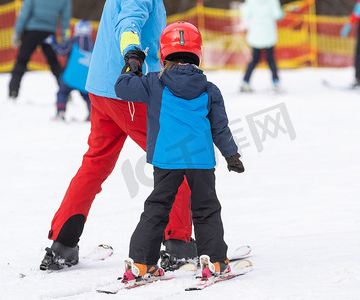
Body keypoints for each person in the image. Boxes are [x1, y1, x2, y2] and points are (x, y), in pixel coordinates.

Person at [40, 0, 197, 271]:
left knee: (96, 163)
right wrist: (132, 55)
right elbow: (129, 23)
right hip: (129, 90)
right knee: (177, 155)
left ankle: (63, 243)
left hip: (102, 89)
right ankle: (179, 243)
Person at [114, 21, 245, 281]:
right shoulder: (209, 89)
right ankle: (215, 261)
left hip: (167, 158)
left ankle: (141, 263)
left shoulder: (153, 83)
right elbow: (220, 128)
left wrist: (133, 65)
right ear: (198, 52)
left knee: (157, 207)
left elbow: (122, 87)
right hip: (200, 160)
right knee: (206, 209)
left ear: (163, 53)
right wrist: (232, 155)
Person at [8, 0, 71, 100]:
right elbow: (66, 18)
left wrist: (17, 32)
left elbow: (24, 13)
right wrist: (65, 36)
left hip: (31, 33)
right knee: (54, 63)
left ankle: (13, 91)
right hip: (49, 33)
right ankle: (65, 91)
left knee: (21, 61)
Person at [45, 19, 94, 121]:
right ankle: (92, 113)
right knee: (87, 96)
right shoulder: (93, 44)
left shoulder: (74, 41)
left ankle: (61, 111)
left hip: (71, 76)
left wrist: (54, 43)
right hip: (85, 78)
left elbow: (62, 51)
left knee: (62, 92)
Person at [240, 0, 284, 93]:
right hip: (269, 35)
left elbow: (245, 15)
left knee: (254, 60)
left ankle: (245, 81)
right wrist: (282, 12)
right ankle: (275, 82)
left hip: (255, 35)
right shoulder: (273, 1)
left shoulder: (250, 1)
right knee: (271, 59)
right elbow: (277, 15)